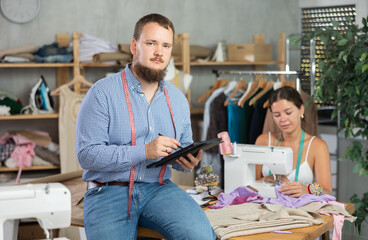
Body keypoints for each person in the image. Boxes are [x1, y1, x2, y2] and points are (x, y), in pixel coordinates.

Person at [76, 13, 216, 240]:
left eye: (166, 45)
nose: (159, 52)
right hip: (108, 191)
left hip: (159, 190)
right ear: (134, 46)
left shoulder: (178, 99)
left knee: (201, 236)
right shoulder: (101, 93)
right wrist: (144, 151)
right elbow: (87, 155)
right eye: (151, 43)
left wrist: (188, 161)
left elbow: (185, 149)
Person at [255, 86, 332, 197]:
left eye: (288, 112)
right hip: (266, 209)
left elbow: (327, 190)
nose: (283, 119)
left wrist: (307, 190)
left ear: (301, 109)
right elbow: (250, 184)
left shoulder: (317, 146)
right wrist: (265, 179)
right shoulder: (263, 141)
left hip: (300, 212)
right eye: (277, 115)